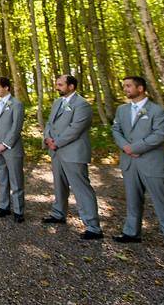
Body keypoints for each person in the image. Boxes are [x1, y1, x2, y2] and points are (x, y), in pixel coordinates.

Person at [111, 76, 164, 263]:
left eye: (129, 86)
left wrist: (135, 148)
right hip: (129, 162)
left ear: (141, 88)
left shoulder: (157, 111)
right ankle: (132, 233)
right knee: (133, 200)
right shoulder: (122, 110)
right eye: (124, 86)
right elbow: (116, 130)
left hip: (151, 162)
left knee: (163, 205)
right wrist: (125, 147)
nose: (125, 89)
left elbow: (159, 135)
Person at [42, 75, 103, 240]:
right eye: (57, 84)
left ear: (71, 86)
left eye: (60, 84)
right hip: (56, 152)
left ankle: (93, 226)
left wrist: (57, 142)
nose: (57, 87)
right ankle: (58, 213)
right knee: (59, 185)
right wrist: (47, 138)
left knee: (81, 188)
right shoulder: (57, 103)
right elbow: (49, 123)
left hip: (73, 153)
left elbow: (76, 128)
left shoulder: (82, 104)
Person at [0, 77, 25, 222]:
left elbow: (16, 127)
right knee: (2, 179)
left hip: (12, 148)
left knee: (16, 180)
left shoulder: (17, 104)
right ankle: (4, 207)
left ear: (6, 88)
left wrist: (5, 144)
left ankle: (19, 211)